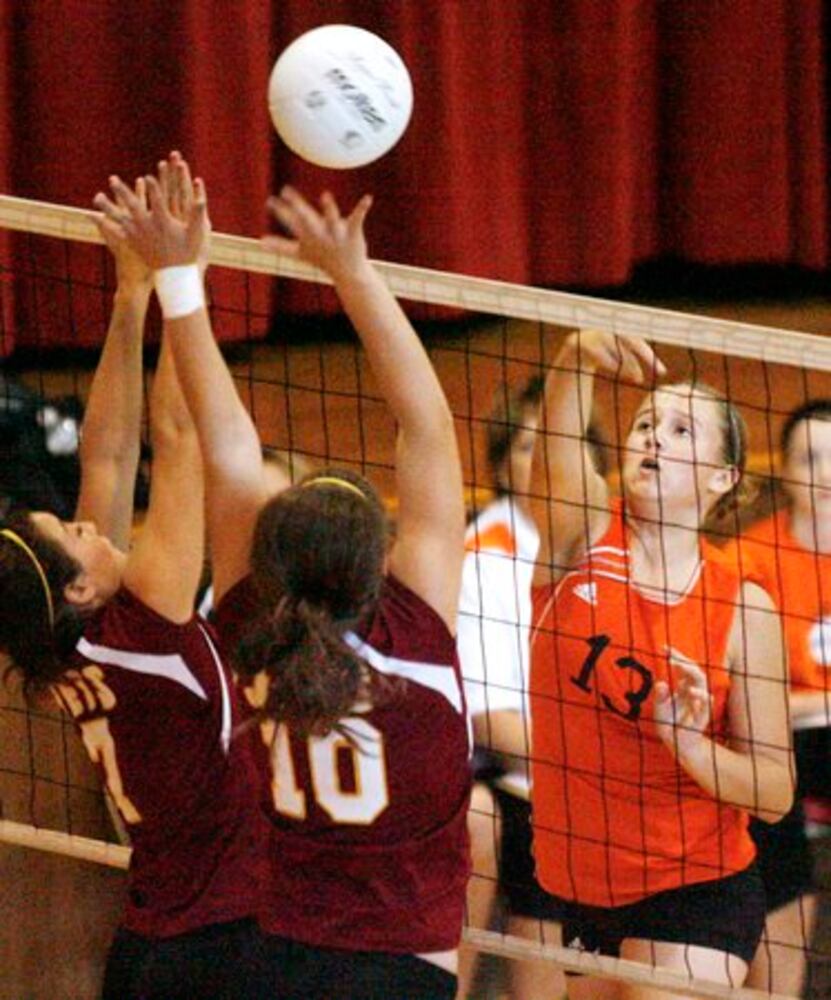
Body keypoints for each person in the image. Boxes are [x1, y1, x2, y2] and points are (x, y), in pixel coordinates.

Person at [102, 153, 471, 1000]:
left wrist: (178, 278)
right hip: (396, 974)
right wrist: (352, 273)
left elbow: (228, 448)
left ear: (269, 562)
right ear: (379, 562)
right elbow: (427, 427)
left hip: (270, 963)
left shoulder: (250, 631)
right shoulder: (413, 636)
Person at [0, 175, 266, 1000]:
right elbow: (179, 438)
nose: (89, 525)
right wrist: (185, 277)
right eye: (76, 534)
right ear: (79, 586)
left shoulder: (70, 645)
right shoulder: (148, 618)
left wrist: (130, 294)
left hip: (149, 946)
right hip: (223, 949)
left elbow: (110, 456)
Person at [528, 329, 794, 998]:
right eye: (645, 423)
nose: (653, 438)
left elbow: (773, 791)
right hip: (583, 881)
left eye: (681, 431)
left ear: (722, 477)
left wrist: (689, 746)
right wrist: (574, 359)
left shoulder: (742, 605)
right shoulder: (582, 537)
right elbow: (553, 460)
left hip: (698, 882)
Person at [456, 374, 569, 1000]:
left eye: (563, 441)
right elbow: (492, 723)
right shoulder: (485, 558)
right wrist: (596, 770)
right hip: (522, 783)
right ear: (502, 467)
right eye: (529, 445)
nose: (548, 458)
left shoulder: (612, 543)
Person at [724, 399, 831, 997]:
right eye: (810, 458)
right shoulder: (749, 561)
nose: (825, 474)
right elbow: (746, 700)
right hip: (784, 743)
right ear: (785, 471)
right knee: (768, 801)